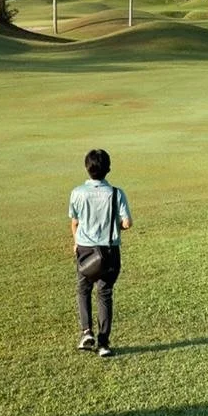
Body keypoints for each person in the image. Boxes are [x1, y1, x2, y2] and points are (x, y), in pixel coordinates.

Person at [69, 148, 133, 358]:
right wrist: (114, 226)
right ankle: (104, 343)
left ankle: (86, 332)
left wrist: (75, 241)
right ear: (108, 169)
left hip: (86, 250)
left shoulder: (77, 192)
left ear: (87, 169)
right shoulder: (117, 193)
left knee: (83, 289)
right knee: (104, 294)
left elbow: (75, 221)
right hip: (109, 250)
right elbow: (127, 223)